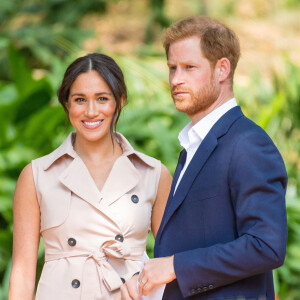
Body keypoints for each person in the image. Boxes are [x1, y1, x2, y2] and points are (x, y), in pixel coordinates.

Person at [121, 16, 288, 300]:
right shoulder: (193, 146)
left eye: (189, 68)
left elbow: (266, 245)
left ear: (222, 69)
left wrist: (175, 266)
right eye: (172, 68)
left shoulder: (248, 144)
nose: (176, 79)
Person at [8, 53, 172, 300]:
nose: (91, 111)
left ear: (120, 101)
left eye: (102, 99)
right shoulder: (36, 175)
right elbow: (22, 272)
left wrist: (144, 276)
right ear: (67, 104)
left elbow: (172, 263)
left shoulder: (153, 173)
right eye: (80, 100)